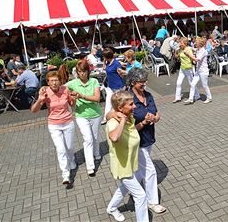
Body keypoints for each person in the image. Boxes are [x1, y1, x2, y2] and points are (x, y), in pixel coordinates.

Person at [110, 68, 167, 214]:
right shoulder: (128, 98)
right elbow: (111, 113)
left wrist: (155, 118)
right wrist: (115, 115)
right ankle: (152, 202)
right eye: (141, 82)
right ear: (133, 82)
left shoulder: (148, 95)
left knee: (137, 174)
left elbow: (157, 112)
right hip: (136, 141)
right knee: (150, 171)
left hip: (148, 139)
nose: (144, 84)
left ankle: (115, 204)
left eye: (145, 81)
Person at [106, 90, 149, 222]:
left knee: (124, 188)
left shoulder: (129, 117)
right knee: (141, 196)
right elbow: (114, 137)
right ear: (120, 108)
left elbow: (132, 131)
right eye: (131, 104)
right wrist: (122, 122)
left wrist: (144, 123)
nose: (134, 106)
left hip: (130, 163)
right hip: (122, 167)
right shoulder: (114, 123)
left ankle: (112, 208)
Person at [31, 71, 76, 185]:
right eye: (52, 81)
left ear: (60, 81)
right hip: (54, 125)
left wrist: (74, 99)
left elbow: (72, 104)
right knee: (60, 149)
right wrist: (40, 100)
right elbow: (34, 110)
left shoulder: (65, 89)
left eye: (56, 80)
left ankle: (71, 160)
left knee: (69, 147)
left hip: (68, 122)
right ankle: (65, 175)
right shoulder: (44, 92)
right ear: (48, 82)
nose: (54, 83)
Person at [67, 60, 101, 176]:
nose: (81, 74)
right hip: (81, 115)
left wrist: (82, 96)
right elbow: (60, 88)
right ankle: (90, 167)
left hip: (95, 114)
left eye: (84, 71)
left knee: (95, 137)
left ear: (88, 71)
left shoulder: (94, 81)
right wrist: (45, 88)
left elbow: (97, 98)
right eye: (79, 71)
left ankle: (96, 153)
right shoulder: (73, 83)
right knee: (88, 139)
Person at [185, 37, 212, 104]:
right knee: (193, 84)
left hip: (203, 71)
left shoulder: (203, 51)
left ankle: (209, 97)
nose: (195, 43)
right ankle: (191, 98)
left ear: (199, 44)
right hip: (198, 71)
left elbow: (197, 60)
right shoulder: (198, 49)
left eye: (196, 43)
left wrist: (189, 54)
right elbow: (194, 49)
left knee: (204, 85)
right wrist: (189, 47)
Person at [172, 37, 199, 103]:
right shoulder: (180, 49)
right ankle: (177, 97)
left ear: (185, 43)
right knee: (178, 83)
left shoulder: (188, 49)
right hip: (182, 68)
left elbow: (193, 57)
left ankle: (197, 95)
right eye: (179, 43)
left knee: (191, 83)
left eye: (181, 43)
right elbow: (176, 57)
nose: (180, 44)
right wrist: (176, 51)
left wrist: (188, 54)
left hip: (189, 68)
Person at [102, 48, 124, 124]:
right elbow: (104, 68)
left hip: (118, 86)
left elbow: (121, 74)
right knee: (108, 102)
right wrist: (104, 62)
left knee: (118, 103)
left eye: (103, 56)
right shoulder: (108, 63)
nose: (103, 58)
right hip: (110, 87)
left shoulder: (116, 63)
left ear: (106, 56)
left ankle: (121, 117)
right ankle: (106, 117)